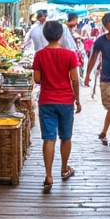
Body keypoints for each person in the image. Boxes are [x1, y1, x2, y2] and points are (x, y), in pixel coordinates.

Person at [32, 20, 81, 192]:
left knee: (49, 138)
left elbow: (37, 79)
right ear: (61, 35)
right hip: (66, 101)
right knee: (66, 137)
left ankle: (48, 175)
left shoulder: (39, 55)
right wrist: (78, 100)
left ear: (45, 35)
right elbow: (75, 80)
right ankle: (64, 168)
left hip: (46, 101)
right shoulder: (69, 54)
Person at [84, 12, 110, 146]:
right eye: (107, 22)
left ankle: (104, 132)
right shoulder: (101, 40)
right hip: (107, 78)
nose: (109, 24)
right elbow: (93, 58)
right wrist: (87, 75)